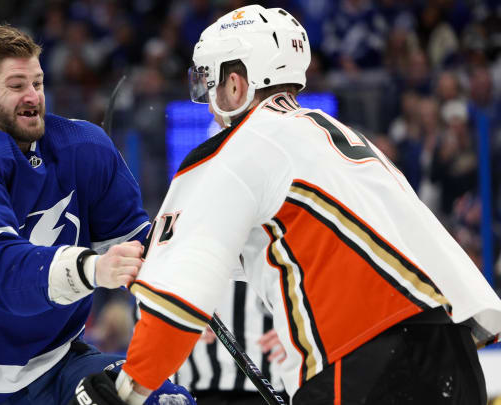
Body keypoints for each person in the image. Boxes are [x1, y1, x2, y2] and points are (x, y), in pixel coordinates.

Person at [73, 5, 501, 405]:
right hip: (452, 354)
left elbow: (177, 299)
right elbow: (291, 244)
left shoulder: (234, 148)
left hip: (361, 361)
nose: (206, 99)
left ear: (236, 84)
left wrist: (127, 390)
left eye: (208, 81)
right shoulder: (329, 134)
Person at [0, 24, 193, 405]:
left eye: (38, 82)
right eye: (16, 86)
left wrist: (192, 262)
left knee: (160, 401)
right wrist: (92, 269)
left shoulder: (84, 146)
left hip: (56, 361)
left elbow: (136, 249)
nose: (33, 96)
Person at [173, 280, 288, 405]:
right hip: (197, 387)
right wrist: (180, 322)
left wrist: (294, 331)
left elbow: (306, 301)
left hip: (268, 388)